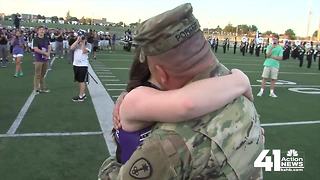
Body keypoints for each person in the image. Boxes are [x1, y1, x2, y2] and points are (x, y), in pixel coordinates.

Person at [99, 3, 264, 180]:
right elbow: (186, 103)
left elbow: (186, 102)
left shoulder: (169, 140)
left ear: (161, 74)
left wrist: (109, 167)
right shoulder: (232, 92)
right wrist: (239, 80)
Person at [70, 34, 91, 102]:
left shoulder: (88, 45)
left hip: (83, 65)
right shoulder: (77, 43)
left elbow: (84, 51)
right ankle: (83, 94)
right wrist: (77, 41)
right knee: (79, 80)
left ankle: (81, 96)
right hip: (76, 65)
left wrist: (83, 43)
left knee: (82, 81)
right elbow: (71, 48)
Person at [33, 26, 51, 94]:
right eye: (40, 30)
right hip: (39, 59)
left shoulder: (46, 38)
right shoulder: (36, 39)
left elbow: (49, 46)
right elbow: (36, 49)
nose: (42, 31)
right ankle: (36, 89)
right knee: (37, 74)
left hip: (45, 59)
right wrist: (45, 53)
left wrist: (48, 53)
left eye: (43, 30)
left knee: (43, 75)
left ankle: (42, 88)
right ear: (37, 31)